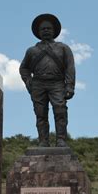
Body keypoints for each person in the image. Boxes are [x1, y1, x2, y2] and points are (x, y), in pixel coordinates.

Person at [19, 13, 75, 147]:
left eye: (48, 28)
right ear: (38, 32)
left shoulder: (63, 48)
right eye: (43, 29)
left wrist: (70, 86)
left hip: (57, 83)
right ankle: (43, 141)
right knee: (40, 114)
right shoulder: (32, 51)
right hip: (38, 84)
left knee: (60, 110)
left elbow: (70, 68)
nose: (46, 31)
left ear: (54, 31)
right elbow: (24, 68)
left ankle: (61, 139)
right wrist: (28, 82)